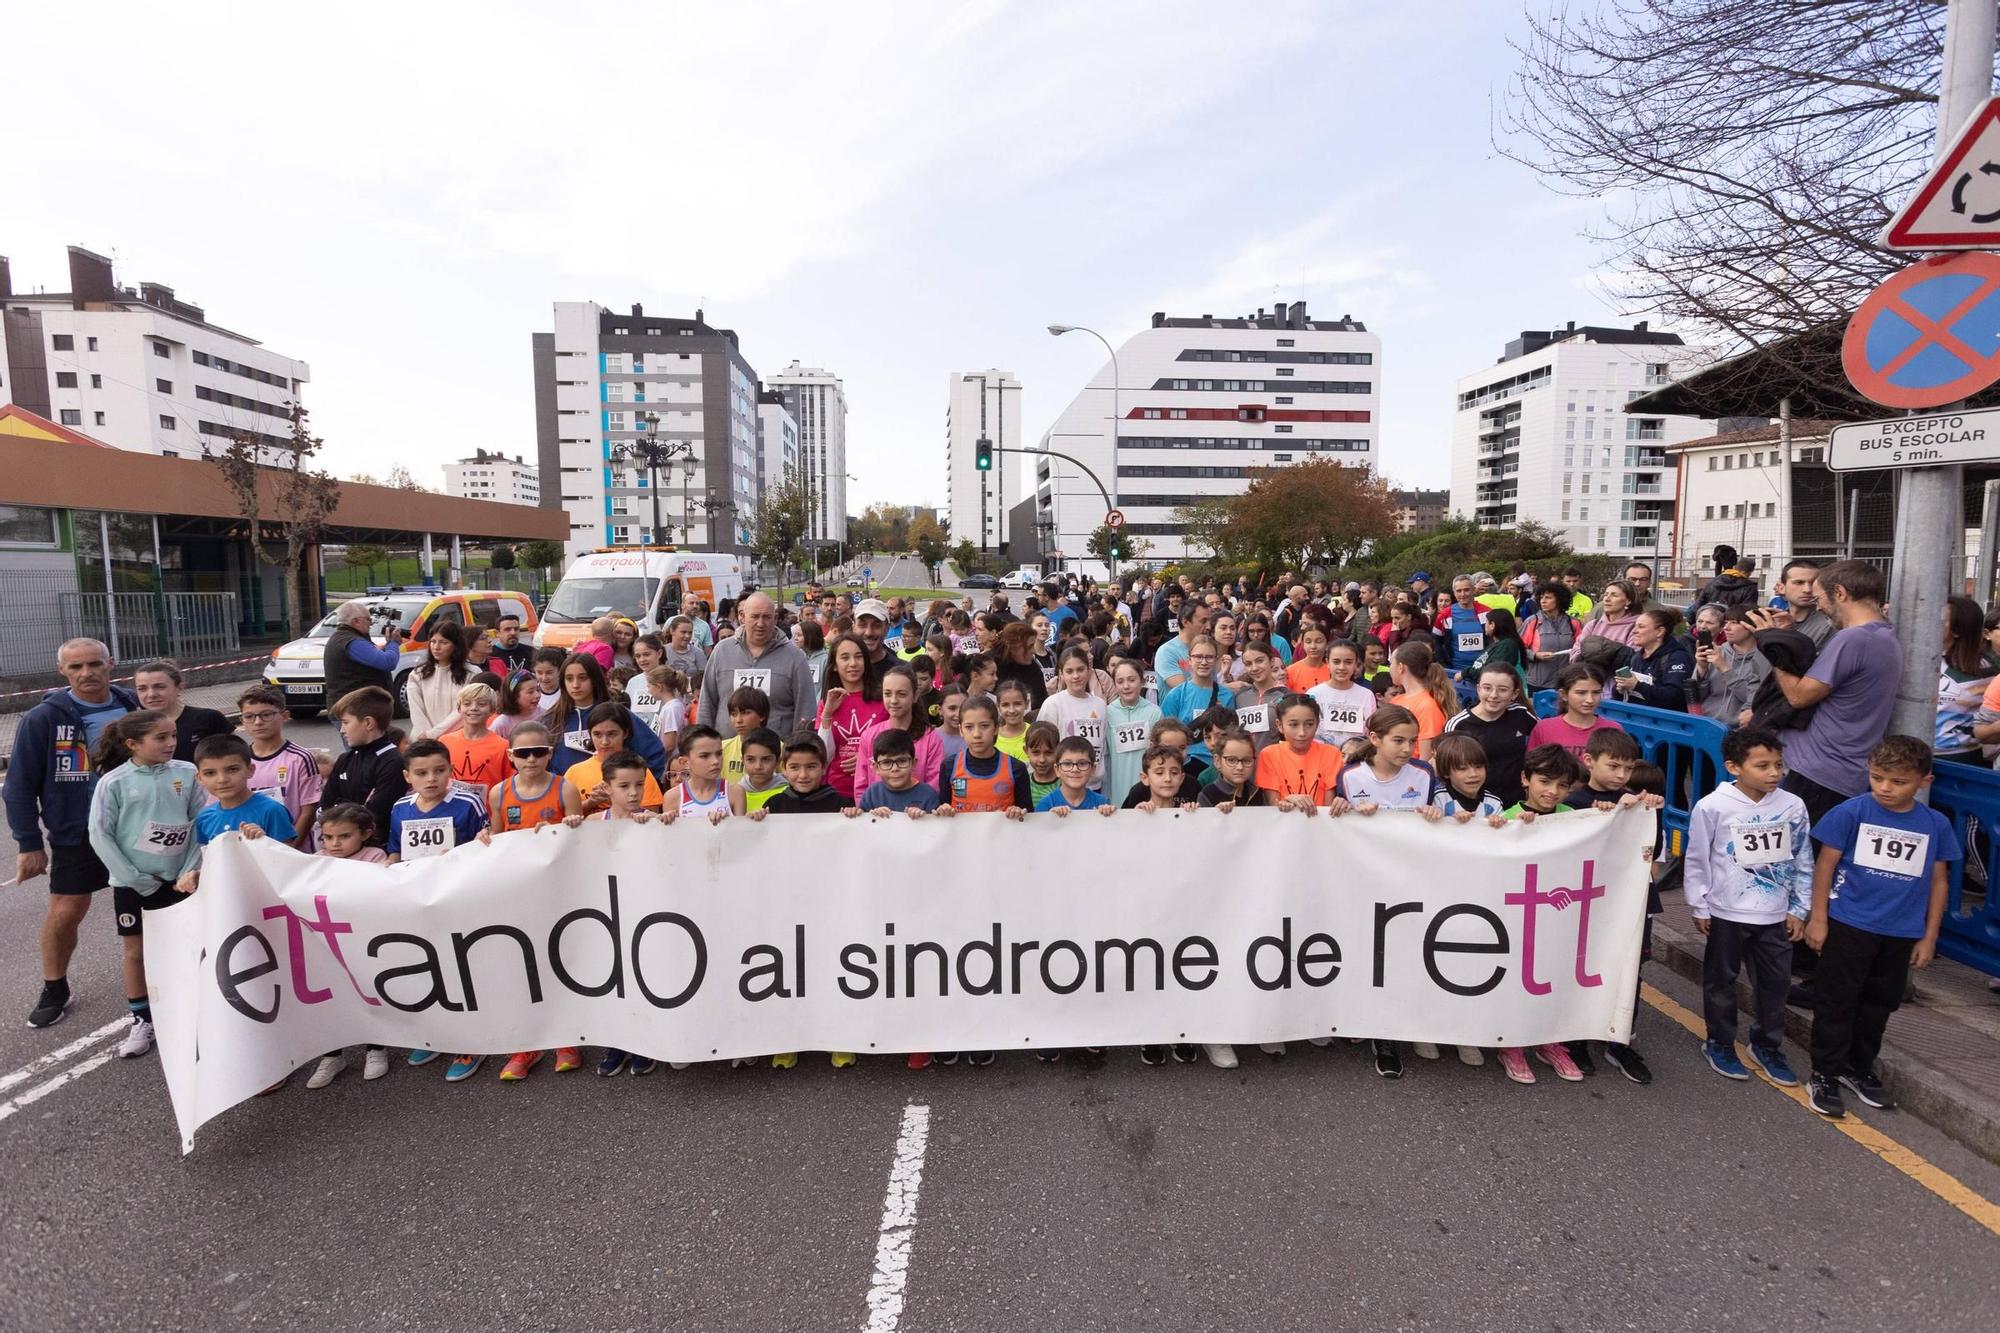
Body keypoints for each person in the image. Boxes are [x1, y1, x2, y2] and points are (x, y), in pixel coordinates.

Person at [1804, 735, 1958, 1120]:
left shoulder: (1935, 824)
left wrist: (1929, 935)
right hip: (1849, 923)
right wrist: (1818, 918)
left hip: (1901, 930)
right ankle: (1824, 1072)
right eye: (1877, 778)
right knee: (1837, 1000)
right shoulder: (1851, 812)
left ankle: (1858, 1067)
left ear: (1924, 781)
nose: (1885, 788)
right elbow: (1826, 865)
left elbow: (1939, 881)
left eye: (1898, 781)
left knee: (1879, 1003)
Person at [3, 638, 137, 1027]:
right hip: (77, 831)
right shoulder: (43, 718)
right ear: (62, 670)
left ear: (110, 663)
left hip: (135, 827)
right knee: (66, 911)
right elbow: (19, 786)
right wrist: (29, 844)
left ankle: (159, 982)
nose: (86, 673)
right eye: (75, 667)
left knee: (153, 908)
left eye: (94, 664)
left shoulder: (132, 705)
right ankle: (54, 986)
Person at [1684, 727, 1813, 1087]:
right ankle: (1720, 1042)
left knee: (1775, 984)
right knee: (1721, 981)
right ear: (1734, 767)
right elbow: (1698, 859)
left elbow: (1803, 857)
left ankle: (1767, 1046)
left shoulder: (1793, 806)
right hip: (1726, 911)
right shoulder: (1713, 806)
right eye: (1762, 766)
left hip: (1775, 914)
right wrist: (1699, 905)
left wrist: (1800, 909)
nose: (1774, 773)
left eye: (1779, 765)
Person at [1746, 560, 1901, 828]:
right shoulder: (1883, 636)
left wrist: (1773, 644)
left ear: (1840, 593)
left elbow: (1799, 696)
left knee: (1793, 862)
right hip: (1838, 769)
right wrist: (1788, 635)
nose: (1818, 606)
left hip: (1818, 771)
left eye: (1820, 598)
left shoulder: (1852, 639)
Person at [84, 710, 202, 1059]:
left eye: (173, 736)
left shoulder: (187, 773)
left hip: (182, 880)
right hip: (134, 884)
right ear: (132, 743)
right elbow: (100, 834)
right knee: (137, 952)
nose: (170, 743)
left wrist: (190, 868)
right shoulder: (114, 782)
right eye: (160, 738)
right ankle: (141, 1019)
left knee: (187, 947)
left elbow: (199, 822)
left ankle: (191, 1013)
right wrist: (136, 879)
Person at [1490, 744, 1589, 1085]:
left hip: (1557, 918)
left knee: (1552, 975)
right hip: (1514, 917)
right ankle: (1512, 1045)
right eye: (1545, 781)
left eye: (1562, 785)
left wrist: (1617, 811)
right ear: (1525, 779)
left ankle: (1550, 1040)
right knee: (1516, 976)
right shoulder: (1505, 817)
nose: (1553, 792)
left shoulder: (1575, 819)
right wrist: (1505, 829)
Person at [699, 593, 817, 738]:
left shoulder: (795, 657)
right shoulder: (721, 651)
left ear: (775, 619)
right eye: (755, 616)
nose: (760, 623)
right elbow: (706, 704)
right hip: (726, 753)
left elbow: (806, 710)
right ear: (742, 616)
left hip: (775, 754)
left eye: (767, 617)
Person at [238, 686, 322, 851]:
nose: (258, 722)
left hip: (292, 850)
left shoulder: (300, 758)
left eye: (266, 715)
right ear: (242, 721)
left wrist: (287, 850)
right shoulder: (238, 760)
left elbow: (308, 811)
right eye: (249, 716)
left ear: (285, 716)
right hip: (250, 849)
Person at [322, 687, 409, 847]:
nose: (342, 730)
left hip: (376, 850)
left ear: (368, 723)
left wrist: (343, 806)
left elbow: (375, 815)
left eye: (346, 722)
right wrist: (354, 807)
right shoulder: (345, 759)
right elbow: (326, 806)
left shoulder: (393, 762)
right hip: (339, 848)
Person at [816, 633, 886, 804]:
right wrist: (827, 715)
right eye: (845, 658)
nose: (853, 664)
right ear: (834, 665)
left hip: (876, 790)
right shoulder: (827, 702)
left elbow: (894, 745)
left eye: (858, 657)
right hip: (837, 791)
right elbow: (822, 755)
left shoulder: (883, 699)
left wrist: (866, 760)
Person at [936, 694, 1030, 817]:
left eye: (984, 726)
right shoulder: (949, 766)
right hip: (962, 836)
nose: (976, 734)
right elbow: (943, 810)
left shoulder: (1016, 768)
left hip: (1002, 835)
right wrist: (943, 810)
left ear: (996, 728)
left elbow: (1028, 817)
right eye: (969, 727)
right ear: (961, 730)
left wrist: (1018, 812)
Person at [856, 664, 943, 795]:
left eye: (901, 694)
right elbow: (861, 786)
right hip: (877, 813)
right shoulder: (869, 736)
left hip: (917, 812)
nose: (894, 700)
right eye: (888, 694)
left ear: (915, 696)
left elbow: (934, 785)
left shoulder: (930, 738)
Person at [1036, 647, 1110, 791]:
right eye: (1069, 671)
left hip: (1094, 786)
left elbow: (1103, 745)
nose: (1076, 676)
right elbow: (1043, 745)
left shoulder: (1100, 705)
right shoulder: (1053, 704)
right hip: (1063, 786)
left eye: (1080, 669)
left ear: (1089, 670)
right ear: (1061, 674)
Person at [1933, 594, 1994, 765]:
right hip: (1915, 755)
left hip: (1960, 759)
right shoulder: (1919, 660)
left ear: (1958, 630)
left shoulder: (1985, 669)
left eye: (1941, 620)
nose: (1930, 623)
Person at [1255, 694, 1344, 810]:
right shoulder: (1269, 754)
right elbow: (1274, 803)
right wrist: (1287, 801)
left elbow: (1329, 807)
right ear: (1279, 725)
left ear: (1317, 724)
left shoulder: (1331, 754)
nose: (1302, 732)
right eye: (1293, 725)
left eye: (1309, 724)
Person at [322, 601, 407, 719]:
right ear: (356, 621)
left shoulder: (344, 638)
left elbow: (373, 659)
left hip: (354, 707)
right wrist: (393, 643)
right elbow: (388, 662)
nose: (371, 623)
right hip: (356, 710)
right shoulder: (353, 642)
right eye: (368, 619)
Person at [132, 660, 230, 762]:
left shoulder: (209, 718)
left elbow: (236, 758)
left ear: (179, 687)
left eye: (160, 687)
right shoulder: (132, 728)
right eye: (142, 689)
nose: (151, 694)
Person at [1691, 605, 1769, 727]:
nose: (1726, 628)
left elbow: (1753, 700)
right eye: (1725, 623)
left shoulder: (1764, 658)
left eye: (1734, 623)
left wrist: (1725, 669)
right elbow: (1695, 698)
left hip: (1739, 729)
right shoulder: (1717, 651)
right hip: (1706, 723)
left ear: (1752, 626)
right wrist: (1702, 669)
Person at [1528, 664, 1623, 760]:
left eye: (1596, 692)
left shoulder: (1613, 729)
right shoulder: (1544, 728)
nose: (1590, 700)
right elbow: (1533, 767)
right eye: (1581, 693)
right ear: (1564, 694)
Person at [1613, 608, 1695, 712]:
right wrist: (1619, 689)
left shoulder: (1677, 657)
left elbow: (1675, 696)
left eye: (1641, 627)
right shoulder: (1636, 657)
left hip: (1664, 723)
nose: (1634, 631)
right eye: (1635, 626)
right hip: (1636, 719)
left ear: (1660, 632)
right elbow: (1620, 696)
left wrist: (1637, 686)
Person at [441, 683, 512, 800]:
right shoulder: (445, 742)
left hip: (488, 814)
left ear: (492, 710)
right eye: (467, 704)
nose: (473, 708)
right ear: (459, 708)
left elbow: (509, 785)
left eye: (482, 704)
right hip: (451, 813)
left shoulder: (503, 746)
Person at [1387, 641, 1453, 761]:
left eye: (1391, 663)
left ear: (1401, 667)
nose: (1389, 669)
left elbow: (1426, 758)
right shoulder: (1396, 700)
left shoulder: (1427, 706)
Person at [406, 622, 472, 741]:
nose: (436, 647)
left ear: (456, 645)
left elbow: (464, 711)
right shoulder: (418, 674)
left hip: (458, 739)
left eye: (443, 642)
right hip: (423, 740)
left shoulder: (471, 673)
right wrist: (427, 736)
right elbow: (416, 710)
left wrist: (435, 733)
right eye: (433, 641)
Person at [1307, 640, 1375, 753]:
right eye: (1336, 662)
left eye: (1348, 662)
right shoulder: (1314, 694)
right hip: (1320, 757)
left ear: (1355, 664)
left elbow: (1371, 731)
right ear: (1327, 663)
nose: (1342, 667)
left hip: (1355, 759)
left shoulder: (1366, 695)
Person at [856, 729, 941, 814]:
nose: (895, 768)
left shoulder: (928, 795)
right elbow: (861, 823)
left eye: (902, 761)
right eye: (887, 762)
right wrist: (854, 814)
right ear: (876, 768)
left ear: (913, 763)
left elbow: (937, 825)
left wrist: (924, 818)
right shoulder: (872, 794)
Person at [671, 725, 746, 820]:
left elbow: (741, 832)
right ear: (685, 762)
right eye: (705, 756)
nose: (715, 761)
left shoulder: (735, 792)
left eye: (719, 753)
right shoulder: (673, 797)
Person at [1429, 733, 1504, 821]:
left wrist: (1496, 823)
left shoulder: (1494, 802)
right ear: (1446, 772)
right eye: (1462, 769)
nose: (1473, 774)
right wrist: (1451, 821)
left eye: (1478, 767)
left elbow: (1503, 832)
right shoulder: (1437, 799)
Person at [1520, 586, 1580, 693]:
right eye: (1541, 597)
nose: (1543, 601)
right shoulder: (1532, 622)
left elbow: (1580, 648)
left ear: (1559, 600)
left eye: (1548, 597)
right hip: (1538, 683)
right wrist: (1534, 655)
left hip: (1565, 682)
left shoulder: (1573, 623)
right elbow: (1518, 648)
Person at [1035, 737, 1111, 814]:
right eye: (1067, 764)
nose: (1075, 769)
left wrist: (1109, 815)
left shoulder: (1102, 803)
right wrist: (1049, 818)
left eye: (1082, 763)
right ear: (1057, 770)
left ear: (1093, 769)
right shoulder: (1045, 805)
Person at [1771, 559, 1835, 649]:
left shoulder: (1831, 625)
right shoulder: (1773, 622)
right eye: (1799, 583)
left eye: (1813, 583)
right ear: (1781, 588)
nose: (1807, 589)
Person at [1571, 580, 1641, 660]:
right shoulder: (1593, 625)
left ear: (1628, 601)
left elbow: (1631, 660)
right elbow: (1575, 652)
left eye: (1614, 595)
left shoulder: (1636, 627)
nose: (1607, 599)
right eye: (1606, 594)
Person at [1433, 576, 1486, 681]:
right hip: (1455, 672)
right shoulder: (1445, 614)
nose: (1463, 594)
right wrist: (1444, 664)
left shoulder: (1486, 612)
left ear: (1473, 590)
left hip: (1482, 671)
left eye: (1467, 590)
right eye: (1459, 591)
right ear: (1454, 592)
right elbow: (1436, 640)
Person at [737, 728, 790, 813]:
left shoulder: (788, 793)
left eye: (766, 759)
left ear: (778, 762)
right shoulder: (732, 795)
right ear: (742, 761)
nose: (758, 766)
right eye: (750, 759)